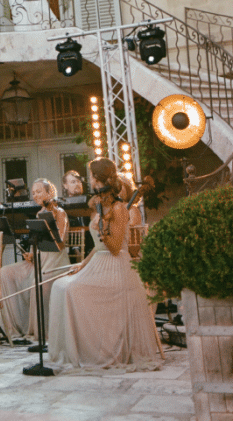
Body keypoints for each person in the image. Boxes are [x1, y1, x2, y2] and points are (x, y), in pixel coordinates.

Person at [45, 158, 161, 372]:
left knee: (71, 290)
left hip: (115, 267)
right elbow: (97, 247)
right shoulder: (99, 206)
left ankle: (92, 350)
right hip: (98, 263)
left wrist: (103, 229)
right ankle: (75, 351)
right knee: (60, 286)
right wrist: (82, 264)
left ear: (98, 179)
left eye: (90, 177)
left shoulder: (119, 208)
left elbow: (115, 247)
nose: (88, 181)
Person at [0, 178, 69, 343]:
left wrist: (48, 227)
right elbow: (36, 243)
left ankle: (40, 332)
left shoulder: (60, 212)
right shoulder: (38, 213)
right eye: (33, 192)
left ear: (49, 193)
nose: (35, 195)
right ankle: (15, 327)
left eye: (39, 192)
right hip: (38, 260)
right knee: (6, 272)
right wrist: (31, 253)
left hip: (55, 261)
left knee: (40, 282)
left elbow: (60, 242)